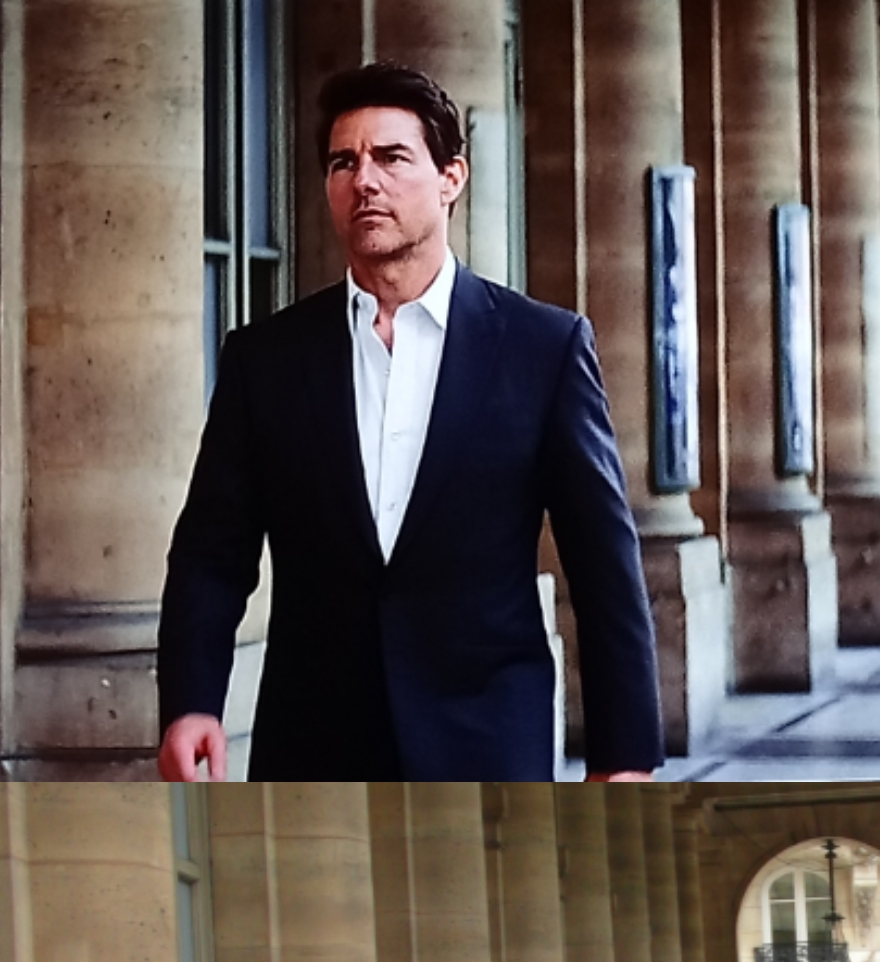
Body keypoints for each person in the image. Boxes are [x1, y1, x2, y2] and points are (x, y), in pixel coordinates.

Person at [157, 61, 663, 783]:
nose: (365, 180)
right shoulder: (264, 359)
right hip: (315, 745)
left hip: (486, 740)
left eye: (392, 157)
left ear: (451, 177)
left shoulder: (541, 348)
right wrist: (191, 701)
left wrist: (623, 756)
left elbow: (603, 562)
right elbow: (212, 549)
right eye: (343, 162)